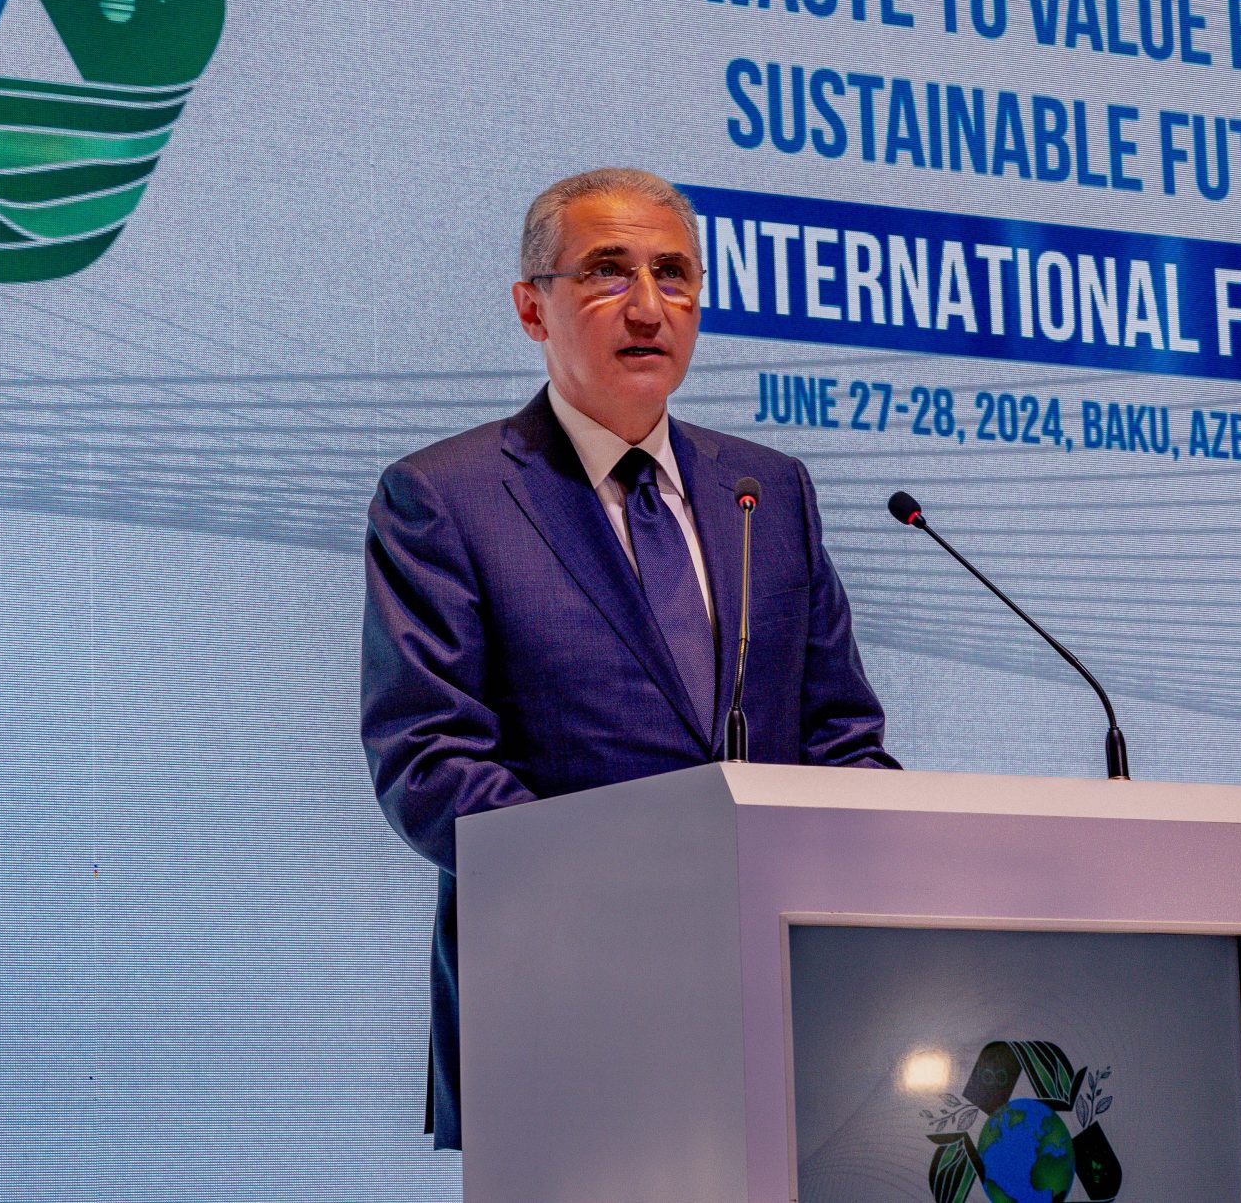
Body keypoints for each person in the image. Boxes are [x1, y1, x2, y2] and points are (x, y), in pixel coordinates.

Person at [360, 166, 896, 1150]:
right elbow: (428, 760)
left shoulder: (767, 492)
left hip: (778, 1008)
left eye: (675, 275)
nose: (649, 306)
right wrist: (648, 888)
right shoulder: (445, 497)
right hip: (561, 1002)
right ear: (532, 307)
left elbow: (839, 734)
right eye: (608, 273)